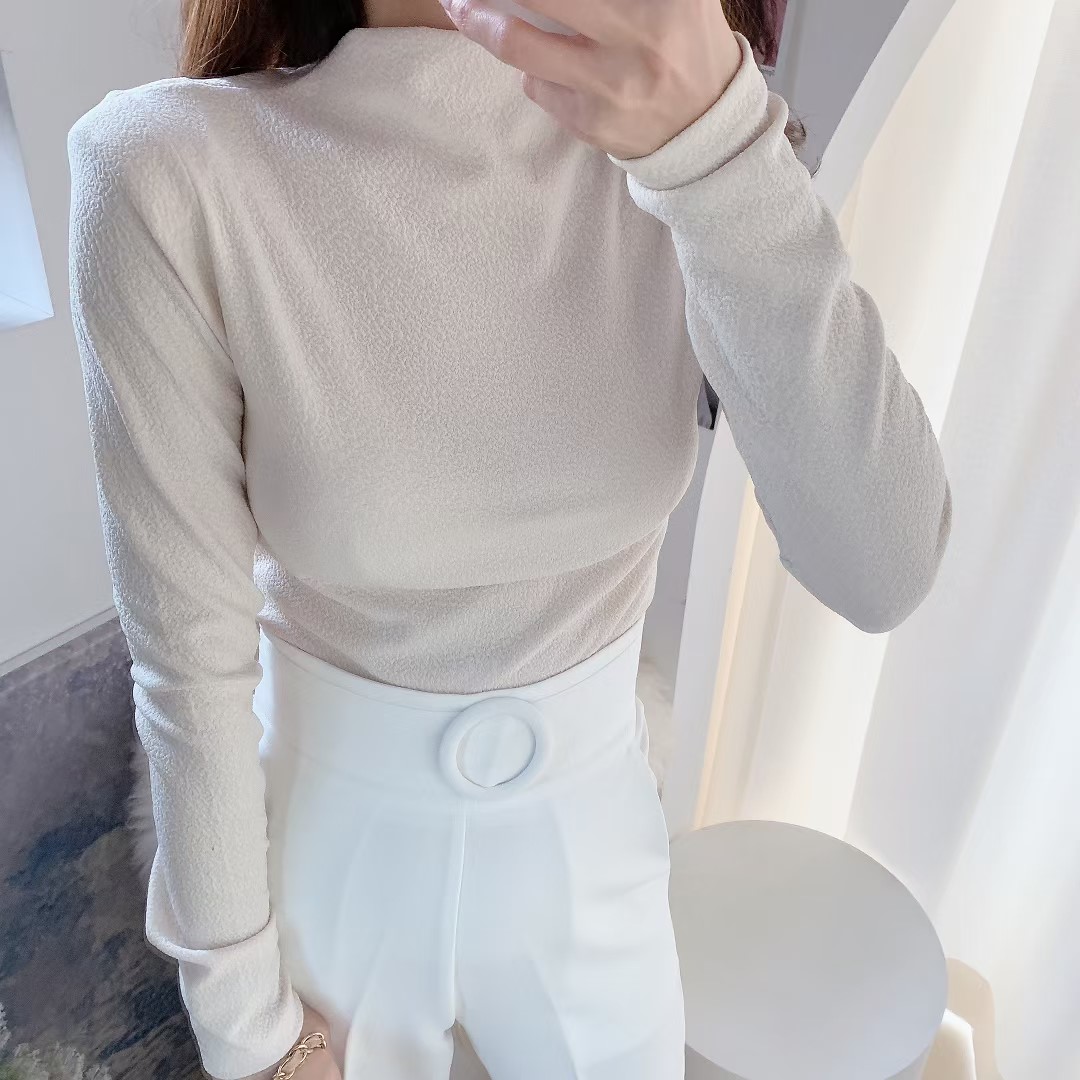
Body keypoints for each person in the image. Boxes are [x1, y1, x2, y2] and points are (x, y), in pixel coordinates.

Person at [65, 0, 953, 1077]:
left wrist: (716, 146)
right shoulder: (166, 167)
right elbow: (187, 662)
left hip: (596, 853)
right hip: (331, 857)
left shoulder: (673, 136)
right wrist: (249, 1034)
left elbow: (883, 566)